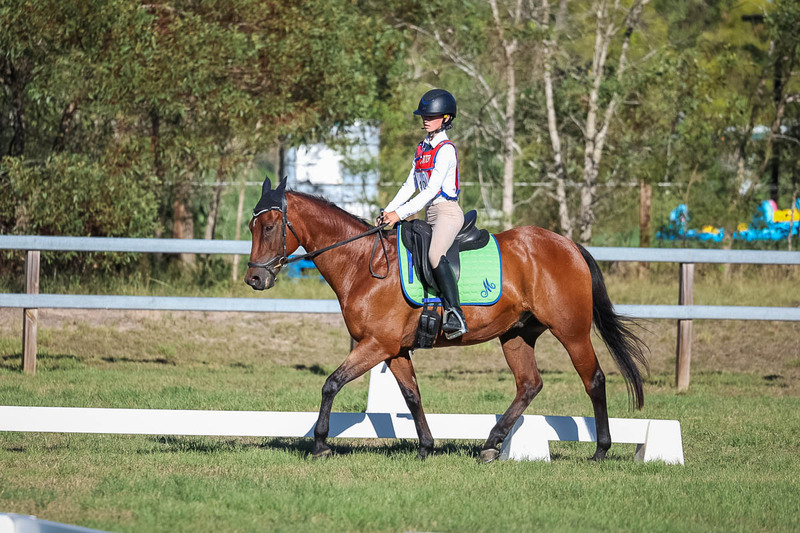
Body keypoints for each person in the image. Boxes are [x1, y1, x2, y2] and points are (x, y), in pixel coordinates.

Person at [377, 88, 467, 339]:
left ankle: (455, 313)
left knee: (435, 254)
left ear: (446, 118)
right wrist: (389, 210)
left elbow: (430, 191)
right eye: (424, 116)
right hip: (430, 214)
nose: (426, 119)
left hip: (448, 213)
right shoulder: (422, 148)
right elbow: (410, 185)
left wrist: (400, 214)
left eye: (432, 116)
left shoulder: (445, 149)